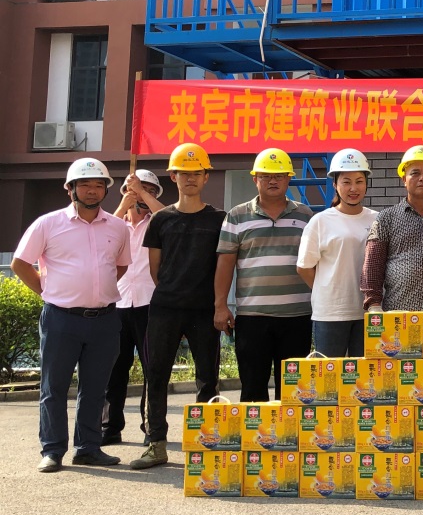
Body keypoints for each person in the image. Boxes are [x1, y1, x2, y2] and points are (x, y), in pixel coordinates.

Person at [11, 158, 130, 472]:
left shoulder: (118, 227)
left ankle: (88, 448)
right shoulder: (47, 224)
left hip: (105, 319)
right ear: (70, 189)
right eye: (85, 184)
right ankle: (52, 450)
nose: (92, 190)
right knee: (54, 387)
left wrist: (96, 291)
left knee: (96, 388)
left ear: (106, 189)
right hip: (61, 318)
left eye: (99, 185)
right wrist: (48, 292)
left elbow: (120, 266)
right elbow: (19, 263)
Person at [129, 142, 225, 470]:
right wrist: (173, 293)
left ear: (206, 176)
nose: (190, 178)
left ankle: (205, 442)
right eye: (184, 173)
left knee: (207, 377)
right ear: (173, 176)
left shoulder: (219, 219)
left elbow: (223, 266)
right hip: (165, 308)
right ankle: (156, 443)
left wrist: (216, 304)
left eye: (197, 172)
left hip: (204, 309)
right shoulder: (161, 219)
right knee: (156, 375)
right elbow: (155, 270)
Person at [215, 148, 313, 402]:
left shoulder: (305, 216)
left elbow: (315, 263)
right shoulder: (237, 216)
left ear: (289, 179)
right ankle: (254, 430)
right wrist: (220, 306)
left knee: (293, 393)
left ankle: (289, 429)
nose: (272, 181)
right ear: (254, 179)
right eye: (266, 176)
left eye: (279, 175)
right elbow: (225, 263)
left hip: (297, 316)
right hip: (252, 318)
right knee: (252, 389)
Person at [102, 169, 163, 445]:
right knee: (113, 369)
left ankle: (152, 428)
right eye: (137, 189)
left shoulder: (159, 221)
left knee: (153, 369)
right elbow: (98, 235)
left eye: (148, 190)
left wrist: (144, 196)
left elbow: (172, 217)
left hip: (150, 303)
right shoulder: (113, 222)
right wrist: (123, 205)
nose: (141, 195)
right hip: (116, 303)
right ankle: (109, 427)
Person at [298, 148, 377, 355]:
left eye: (359, 181)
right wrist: (327, 289)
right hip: (330, 314)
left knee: (365, 373)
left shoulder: (377, 219)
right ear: (335, 184)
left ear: (366, 183)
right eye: (346, 181)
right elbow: (304, 267)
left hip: (369, 312)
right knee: (329, 371)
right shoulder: (320, 221)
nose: (353, 188)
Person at [362, 145, 423, 313]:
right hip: (398, 313)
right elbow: (373, 265)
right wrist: (373, 304)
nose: (422, 178)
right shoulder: (386, 218)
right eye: (415, 173)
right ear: (404, 179)